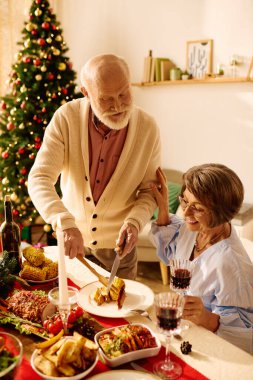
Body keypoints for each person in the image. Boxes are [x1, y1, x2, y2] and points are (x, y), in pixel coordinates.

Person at [28, 54, 161, 279]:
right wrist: (65, 223)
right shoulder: (66, 118)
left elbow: (149, 191)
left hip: (120, 252)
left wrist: (135, 222)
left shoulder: (148, 128)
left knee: (120, 312)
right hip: (73, 249)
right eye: (106, 99)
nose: (118, 106)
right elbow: (39, 178)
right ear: (86, 93)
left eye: (123, 93)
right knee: (73, 312)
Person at [150, 165, 253, 354]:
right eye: (184, 201)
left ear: (220, 213)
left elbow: (246, 337)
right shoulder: (194, 230)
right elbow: (172, 251)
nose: (186, 213)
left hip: (210, 347)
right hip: (184, 331)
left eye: (197, 208)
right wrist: (163, 207)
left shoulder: (231, 265)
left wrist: (205, 317)